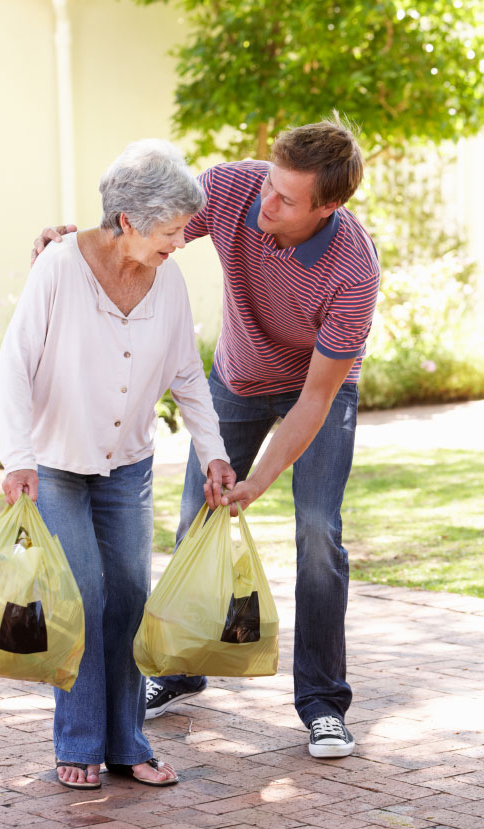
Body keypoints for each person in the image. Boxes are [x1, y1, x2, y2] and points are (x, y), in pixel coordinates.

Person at [32, 118, 380, 760]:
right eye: (269, 184)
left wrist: (259, 480)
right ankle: (179, 670)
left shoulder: (352, 273)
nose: (265, 203)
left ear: (328, 207)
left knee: (317, 531)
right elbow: (140, 232)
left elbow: (314, 400)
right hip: (238, 377)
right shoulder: (232, 189)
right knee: (194, 520)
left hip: (315, 392)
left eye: (286, 199)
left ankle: (323, 703)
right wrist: (74, 244)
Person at [0, 139, 235, 790]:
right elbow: (14, 365)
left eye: (184, 228)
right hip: (56, 465)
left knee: (130, 598)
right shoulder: (59, 269)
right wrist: (17, 457)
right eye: (170, 229)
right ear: (127, 221)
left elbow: (187, 374)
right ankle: (79, 743)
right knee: (82, 597)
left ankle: (128, 742)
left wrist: (213, 453)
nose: (180, 242)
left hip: (127, 464)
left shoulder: (169, 281)